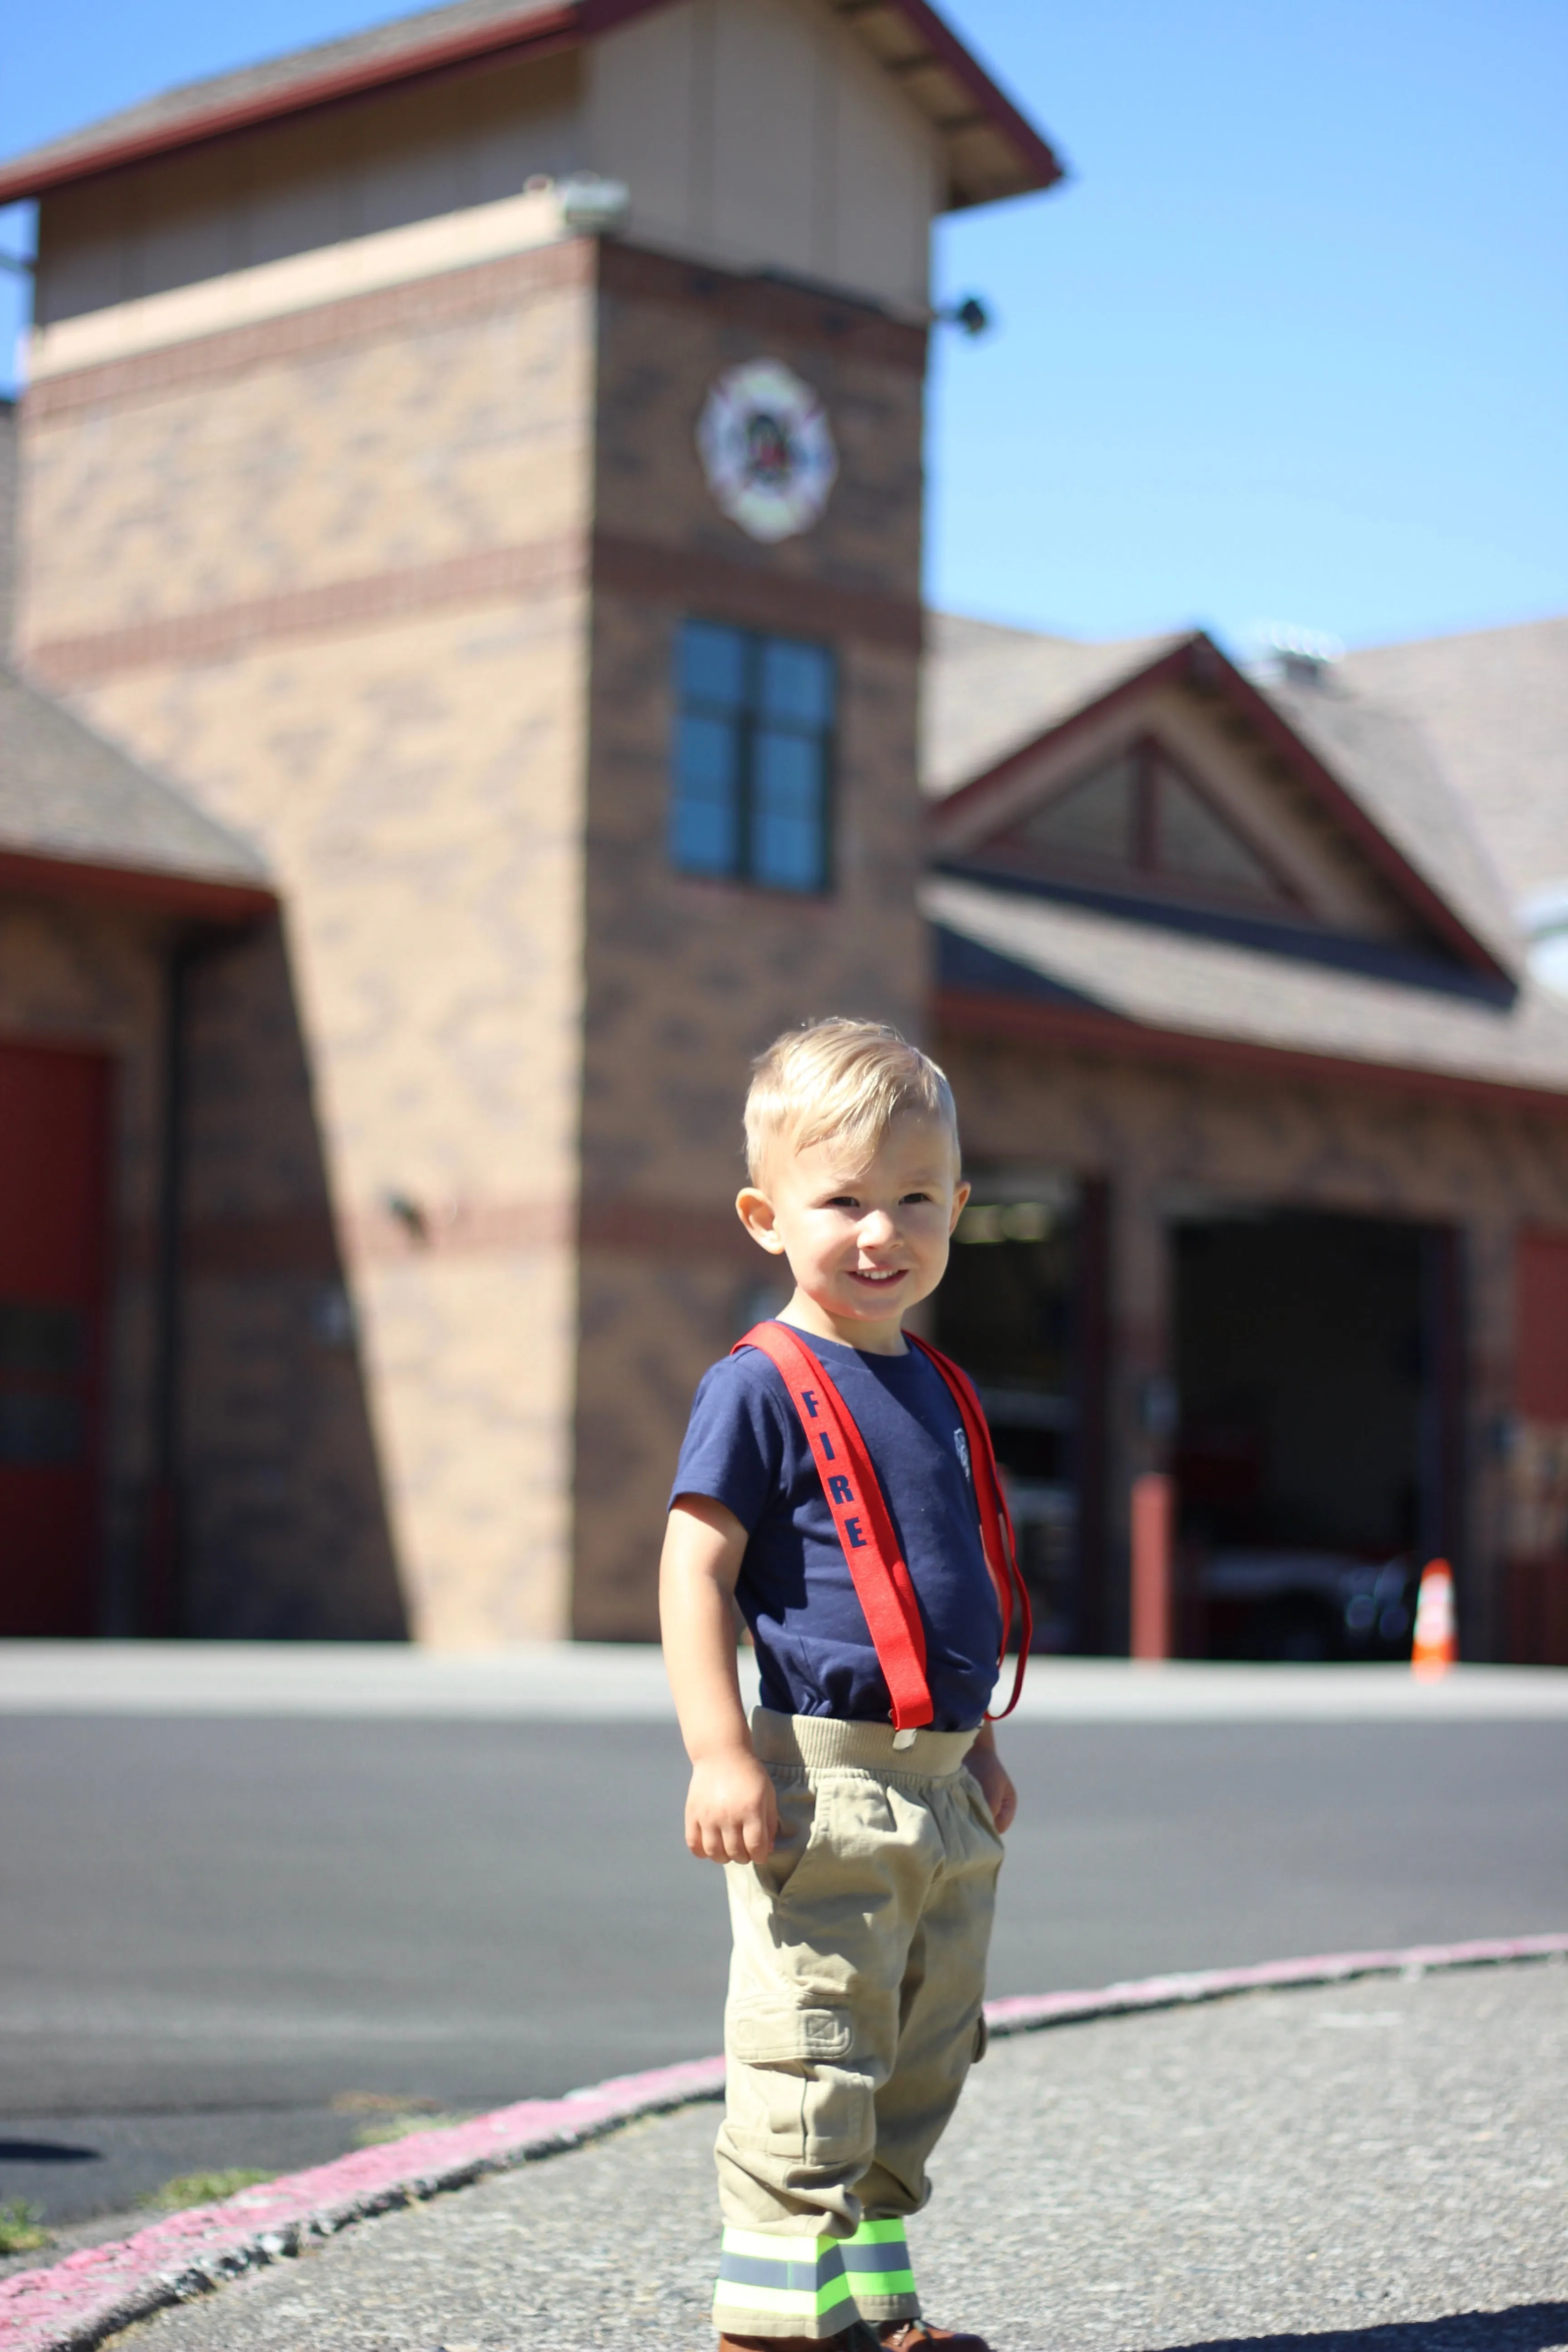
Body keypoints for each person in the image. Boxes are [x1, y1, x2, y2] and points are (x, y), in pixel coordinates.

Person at [660, 1017, 1024, 2352]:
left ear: (960, 1210)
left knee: (921, 2053)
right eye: (845, 1201)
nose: (885, 1230)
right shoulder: (760, 1385)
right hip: (823, 1781)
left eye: (917, 1198)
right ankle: (769, 2330)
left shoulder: (934, 1384)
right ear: (766, 1216)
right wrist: (718, 1751)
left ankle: (873, 2316)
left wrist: (975, 1747)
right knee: (810, 2056)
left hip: (939, 1786)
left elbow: (950, 1582)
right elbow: (693, 1571)